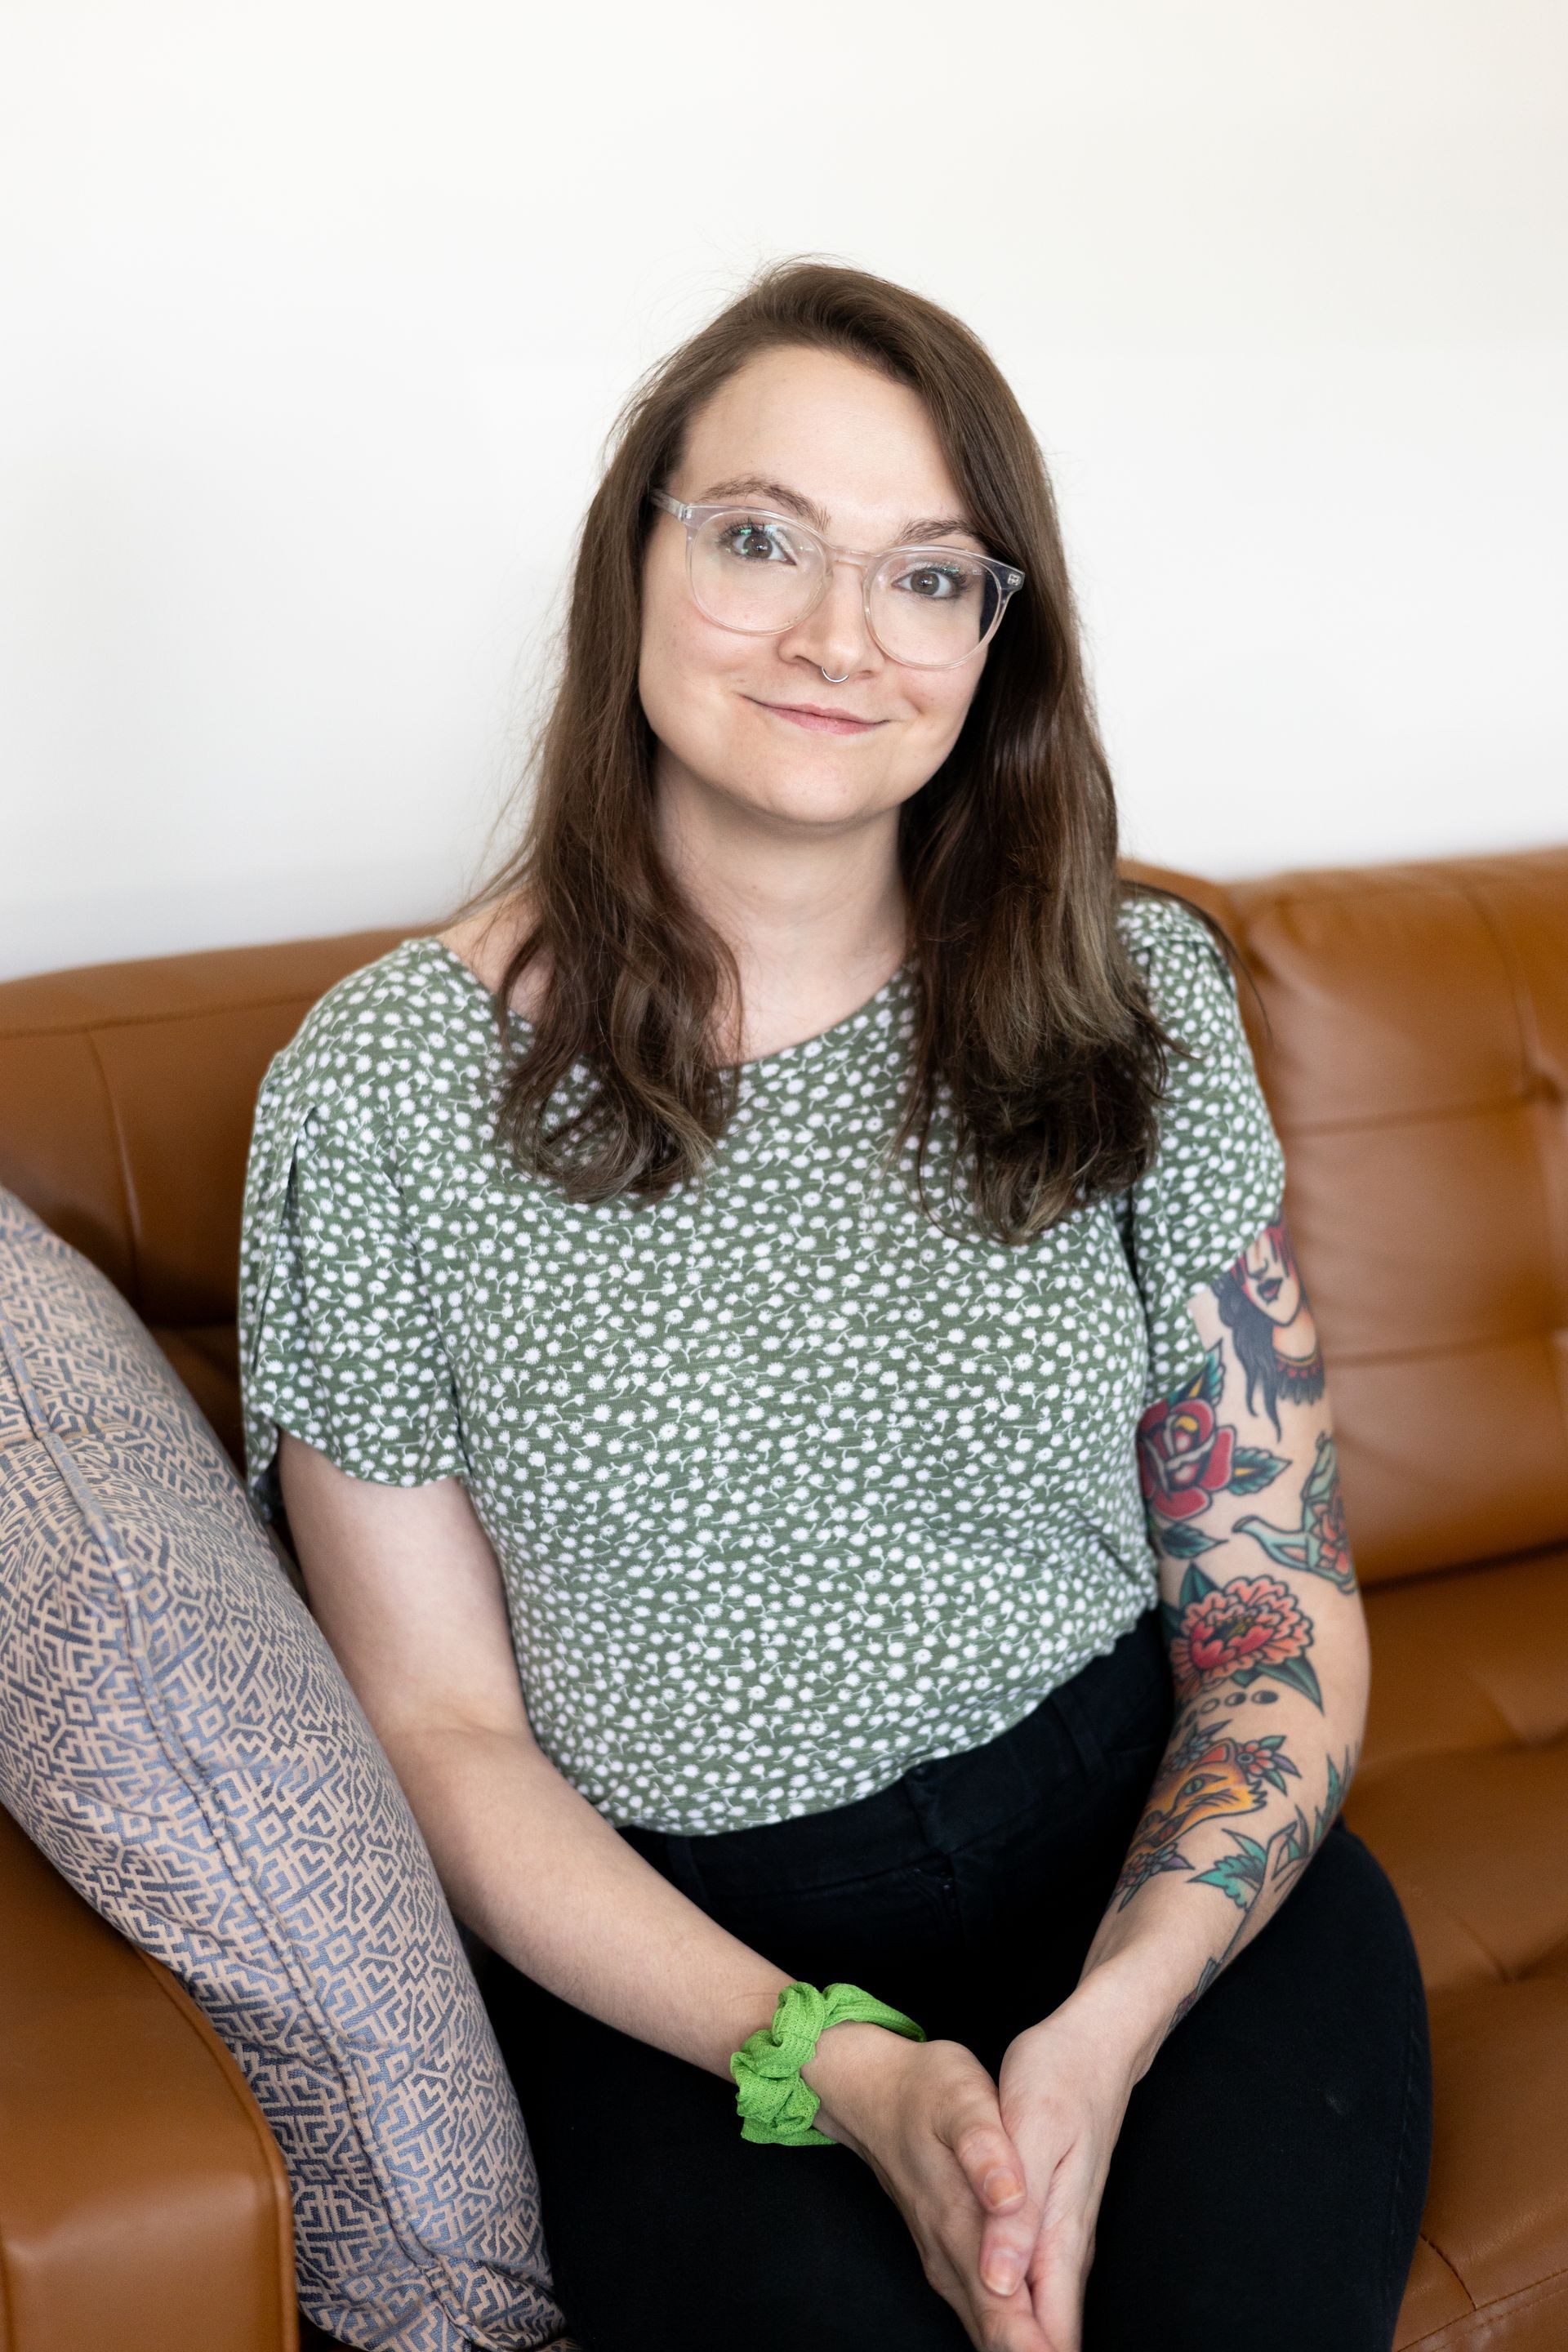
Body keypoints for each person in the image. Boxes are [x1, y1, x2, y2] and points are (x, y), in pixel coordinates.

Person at [238, 260, 1432, 2352]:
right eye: (761, 539)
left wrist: (1119, 2016)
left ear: (996, 639)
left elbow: (1270, 1593)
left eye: (930, 576)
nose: (834, 639)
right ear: (635, 564)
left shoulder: (1135, 998)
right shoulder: (380, 1094)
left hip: (1153, 1867)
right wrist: (840, 2068)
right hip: (686, 1974)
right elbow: (443, 1730)